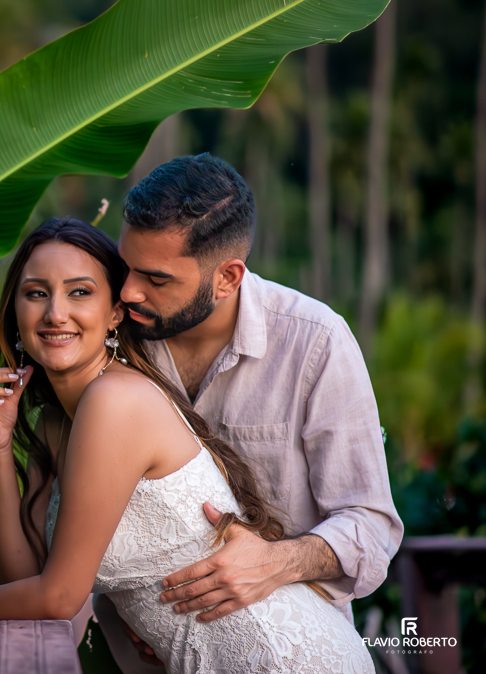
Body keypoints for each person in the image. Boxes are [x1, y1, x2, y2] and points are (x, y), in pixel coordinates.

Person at [0, 214, 375, 673]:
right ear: (15, 312)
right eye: (36, 293)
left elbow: (59, 598)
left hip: (282, 658)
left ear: (115, 314)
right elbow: (25, 583)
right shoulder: (59, 421)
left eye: (79, 292)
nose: (55, 313)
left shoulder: (114, 402)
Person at [103, 154, 401, 670]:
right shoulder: (110, 336)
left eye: (155, 278)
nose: (128, 291)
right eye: (124, 267)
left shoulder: (316, 343)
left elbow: (371, 527)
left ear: (227, 277)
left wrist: (275, 562)